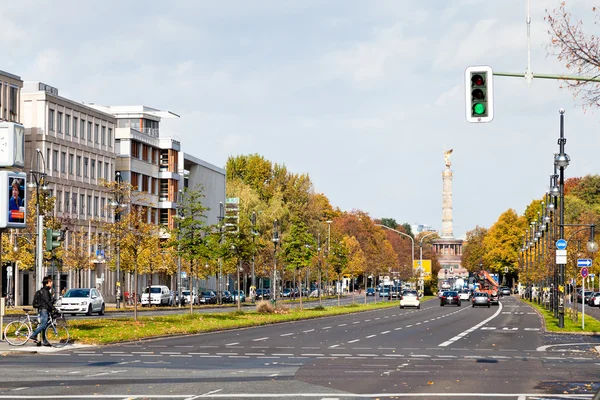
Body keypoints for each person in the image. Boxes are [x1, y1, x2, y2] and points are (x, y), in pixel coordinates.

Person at [29, 276, 55, 347]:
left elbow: (49, 301)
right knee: (43, 324)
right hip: (44, 310)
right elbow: (47, 301)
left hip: (45, 310)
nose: (52, 283)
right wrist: (53, 308)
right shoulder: (45, 291)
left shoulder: (46, 291)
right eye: (50, 282)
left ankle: (45, 341)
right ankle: (33, 335)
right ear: (47, 283)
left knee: (45, 326)